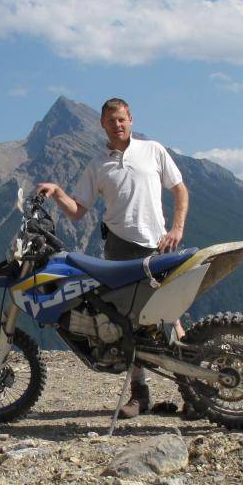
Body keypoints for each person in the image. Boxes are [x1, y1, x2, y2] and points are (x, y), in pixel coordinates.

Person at [36, 97, 189, 418]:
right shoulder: (97, 165)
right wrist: (59, 193)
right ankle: (140, 394)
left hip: (157, 247)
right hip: (118, 250)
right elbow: (79, 212)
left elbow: (180, 190)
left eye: (121, 119)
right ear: (102, 125)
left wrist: (176, 228)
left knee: (169, 318)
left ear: (131, 119)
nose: (117, 124)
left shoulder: (153, 150)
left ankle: (194, 389)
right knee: (126, 324)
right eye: (110, 121)